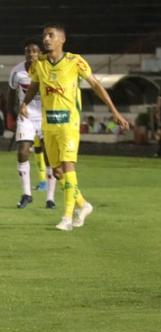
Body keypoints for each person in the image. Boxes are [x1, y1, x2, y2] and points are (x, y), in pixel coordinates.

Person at [20, 23, 130, 231]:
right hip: (49, 124)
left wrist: (114, 111)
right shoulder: (39, 64)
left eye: (51, 35)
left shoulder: (75, 61)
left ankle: (67, 218)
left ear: (62, 39)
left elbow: (96, 85)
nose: (46, 39)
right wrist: (24, 103)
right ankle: (83, 205)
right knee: (58, 172)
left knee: (68, 165)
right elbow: (34, 85)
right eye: (44, 35)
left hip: (69, 123)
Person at [9, 38, 56, 209]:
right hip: (25, 115)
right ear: (25, 53)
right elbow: (11, 93)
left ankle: (50, 198)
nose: (31, 54)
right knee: (22, 151)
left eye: (35, 51)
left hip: (45, 116)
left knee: (49, 154)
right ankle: (26, 194)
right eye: (28, 51)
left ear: (40, 53)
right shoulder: (17, 71)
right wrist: (11, 114)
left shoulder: (48, 68)